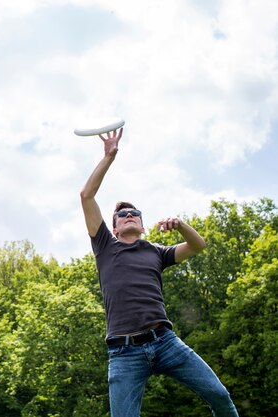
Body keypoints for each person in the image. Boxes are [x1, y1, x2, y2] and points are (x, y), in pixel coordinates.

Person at [79, 128, 238, 417]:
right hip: (124, 354)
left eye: (134, 214)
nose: (128, 215)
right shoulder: (104, 246)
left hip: (165, 343)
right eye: (122, 215)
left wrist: (181, 225)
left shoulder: (156, 251)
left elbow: (198, 245)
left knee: (219, 396)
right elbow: (86, 195)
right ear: (114, 228)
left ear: (143, 225)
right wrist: (109, 157)